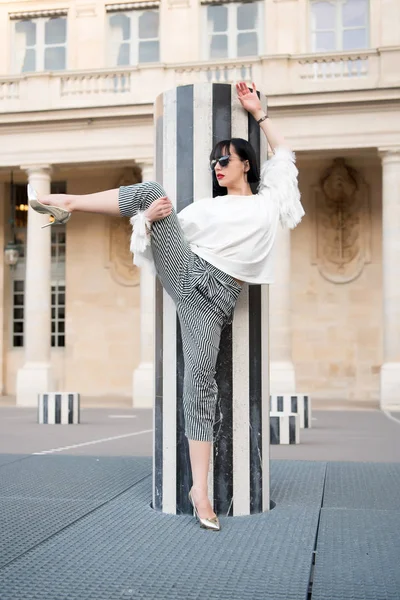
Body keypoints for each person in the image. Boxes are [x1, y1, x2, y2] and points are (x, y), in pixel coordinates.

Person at [28, 82, 304, 531]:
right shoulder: (204, 210)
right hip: (190, 276)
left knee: (201, 383)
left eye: (224, 160)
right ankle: (69, 203)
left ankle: (199, 489)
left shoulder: (270, 200)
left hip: (218, 300)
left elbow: (286, 157)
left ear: (245, 165)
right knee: (152, 192)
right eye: (213, 160)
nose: (217, 166)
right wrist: (150, 220)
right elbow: (165, 232)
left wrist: (259, 113)